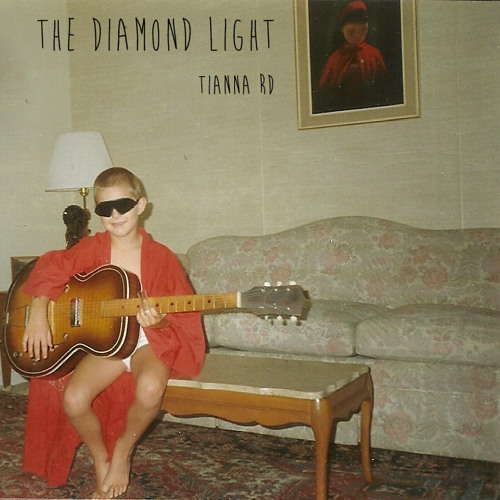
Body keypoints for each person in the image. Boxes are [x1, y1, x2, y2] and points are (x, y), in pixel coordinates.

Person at [21, 166, 206, 499]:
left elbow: (184, 316)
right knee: (74, 399)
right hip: (107, 342)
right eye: (105, 209)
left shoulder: (161, 257)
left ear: (141, 205)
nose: (116, 215)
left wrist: (159, 323)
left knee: (150, 388)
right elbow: (52, 266)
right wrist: (37, 312)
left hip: (149, 340)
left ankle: (122, 450)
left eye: (123, 205)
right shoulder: (92, 247)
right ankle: (100, 456)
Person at [318, 0, 387, 112]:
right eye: (351, 31)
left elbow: (383, 86)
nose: (358, 36)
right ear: (342, 29)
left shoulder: (374, 54)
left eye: (363, 30)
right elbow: (325, 91)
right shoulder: (335, 58)